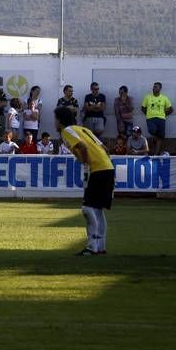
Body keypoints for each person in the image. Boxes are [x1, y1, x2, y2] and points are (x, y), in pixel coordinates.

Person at [55, 106, 115, 256]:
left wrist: (86, 166)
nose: (54, 122)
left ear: (59, 120)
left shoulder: (66, 131)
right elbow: (105, 149)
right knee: (98, 209)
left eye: (55, 119)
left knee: (87, 208)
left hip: (97, 170)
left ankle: (91, 247)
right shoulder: (84, 129)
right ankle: (100, 247)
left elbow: (82, 147)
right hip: (108, 168)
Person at [141, 82, 173, 155]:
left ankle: (156, 154)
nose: (154, 88)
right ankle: (154, 139)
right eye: (153, 87)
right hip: (150, 118)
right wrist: (148, 114)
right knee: (152, 131)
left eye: (156, 87)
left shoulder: (164, 98)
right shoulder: (147, 97)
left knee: (160, 137)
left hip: (161, 119)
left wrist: (164, 115)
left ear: (160, 88)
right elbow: (143, 108)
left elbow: (171, 109)